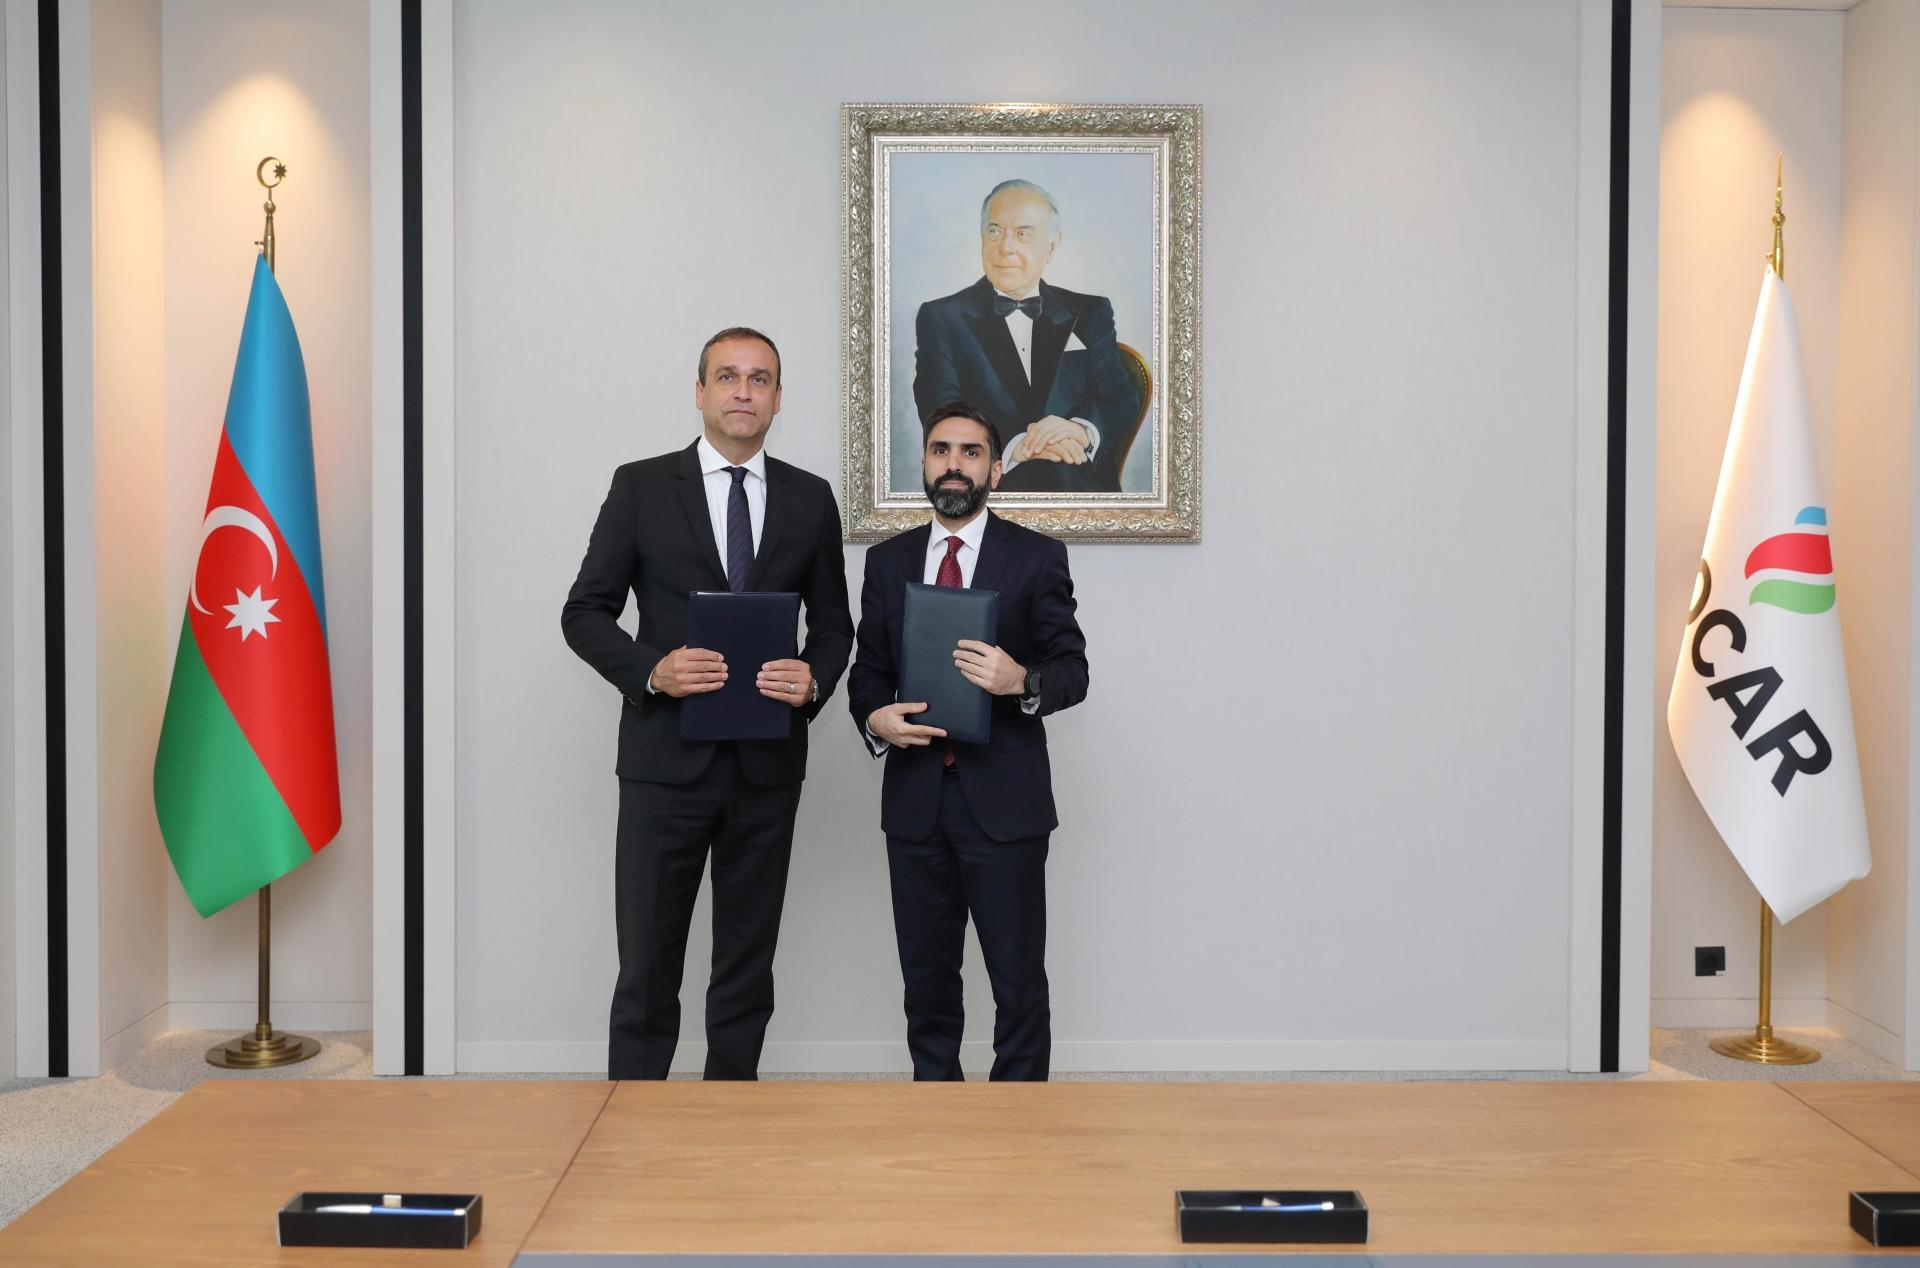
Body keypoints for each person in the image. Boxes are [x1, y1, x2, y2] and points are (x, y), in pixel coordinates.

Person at [562, 326, 853, 1080]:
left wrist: (814, 680)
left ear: (779, 399)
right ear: (700, 392)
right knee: (647, 967)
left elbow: (834, 625)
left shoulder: (810, 498)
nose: (743, 392)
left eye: (760, 379)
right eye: (728, 377)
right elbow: (584, 613)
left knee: (747, 968)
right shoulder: (641, 487)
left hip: (767, 769)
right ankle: (631, 1121)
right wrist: (652, 670)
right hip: (664, 766)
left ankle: (731, 1118)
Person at [847, 400, 1089, 1080]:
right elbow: (868, 672)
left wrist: (1020, 680)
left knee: (1018, 985)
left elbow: (1073, 671)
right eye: (941, 450)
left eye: (971, 452)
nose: (954, 464)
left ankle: (1020, 1125)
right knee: (926, 988)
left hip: (1005, 807)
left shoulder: (1036, 558)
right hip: (916, 807)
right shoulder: (888, 562)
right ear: (924, 464)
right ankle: (938, 1119)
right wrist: (875, 718)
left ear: (996, 470)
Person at [912, 179, 1142, 495]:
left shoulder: (1091, 312)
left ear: (1051, 247)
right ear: (981, 237)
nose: (1005, 247)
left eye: (1023, 234)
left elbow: (1118, 396)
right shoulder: (941, 317)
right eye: (994, 231)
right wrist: (1017, 447)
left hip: (1079, 488)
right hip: (990, 492)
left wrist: (1079, 430)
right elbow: (941, 408)